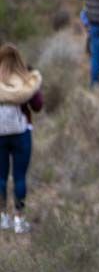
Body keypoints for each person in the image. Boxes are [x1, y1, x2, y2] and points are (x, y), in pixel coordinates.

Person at [0, 45, 44, 235]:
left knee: (0, 176)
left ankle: (2, 217)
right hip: (21, 133)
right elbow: (38, 105)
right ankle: (19, 219)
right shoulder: (26, 81)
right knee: (19, 177)